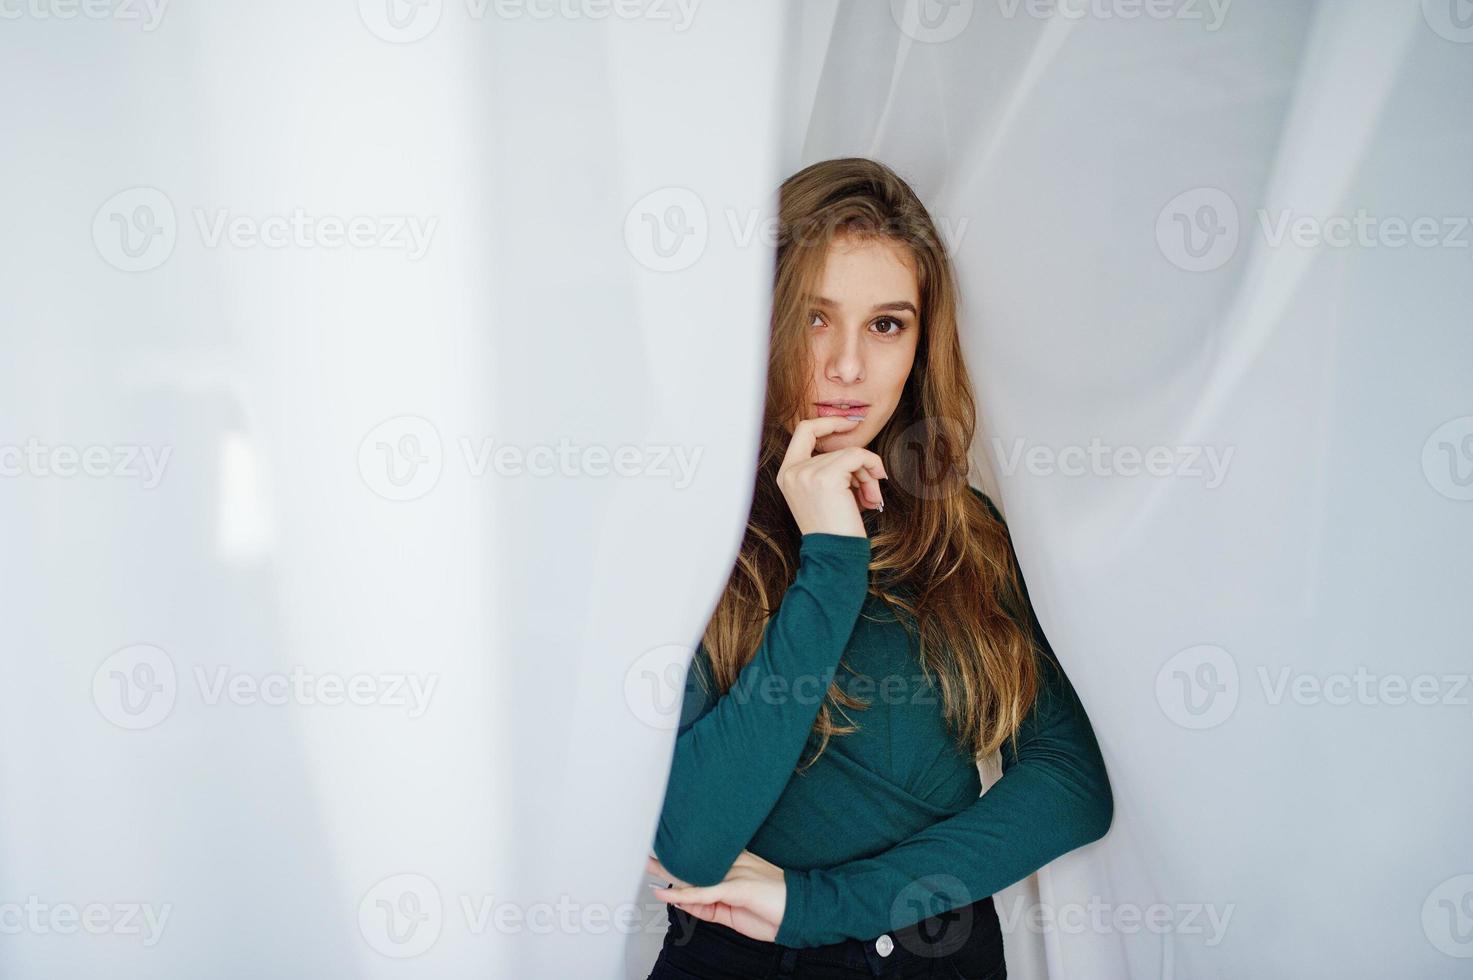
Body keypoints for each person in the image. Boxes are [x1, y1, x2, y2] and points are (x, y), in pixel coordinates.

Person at [643, 157, 1113, 979]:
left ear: (920, 344)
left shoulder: (960, 531)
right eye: (815, 319)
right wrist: (829, 561)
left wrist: (826, 904)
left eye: (886, 324)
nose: (847, 367)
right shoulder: (690, 533)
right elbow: (691, 843)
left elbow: (1069, 784)